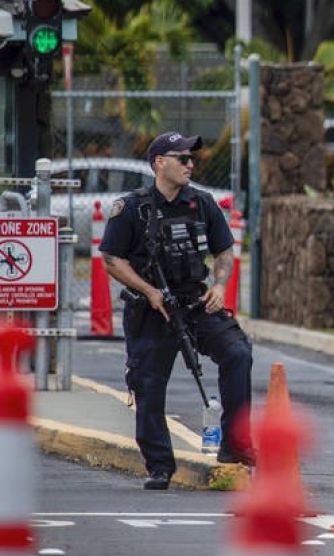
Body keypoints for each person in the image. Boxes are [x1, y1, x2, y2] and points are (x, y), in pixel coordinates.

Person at [99, 132, 254, 490]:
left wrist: (218, 287)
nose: (190, 164)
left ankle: (235, 444)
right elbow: (111, 258)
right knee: (149, 384)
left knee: (238, 353)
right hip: (152, 309)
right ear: (159, 163)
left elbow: (225, 251)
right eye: (182, 158)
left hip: (194, 302)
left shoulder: (202, 203)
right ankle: (159, 466)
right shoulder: (133, 208)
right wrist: (149, 291)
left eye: (191, 158)